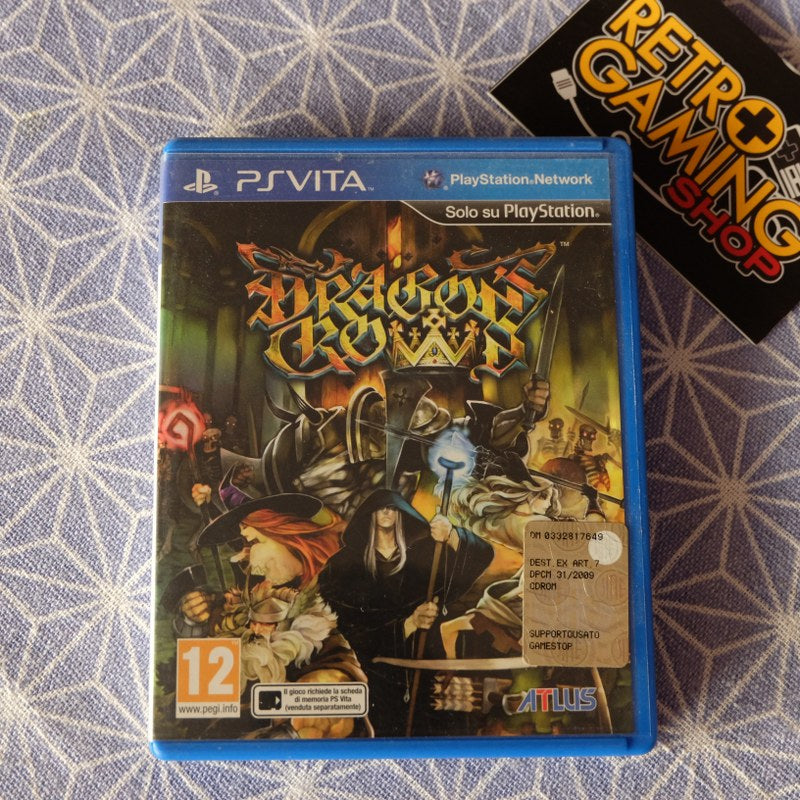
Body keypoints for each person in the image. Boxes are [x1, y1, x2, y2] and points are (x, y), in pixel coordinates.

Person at [317, 488, 493, 736]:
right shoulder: (343, 565)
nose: (386, 512)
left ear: (401, 514)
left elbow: (480, 556)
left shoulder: (424, 555)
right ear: (369, 514)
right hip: (371, 679)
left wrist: (451, 535)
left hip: (423, 674)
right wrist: (408, 624)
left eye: (392, 507)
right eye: (380, 507)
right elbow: (349, 629)